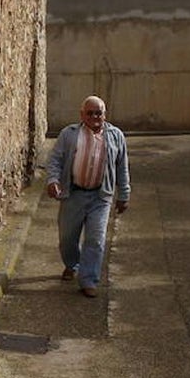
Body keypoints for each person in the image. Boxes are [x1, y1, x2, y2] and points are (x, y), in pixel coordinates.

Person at [45, 95, 130, 298]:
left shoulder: (116, 136)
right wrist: (53, 180)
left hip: (100, 197)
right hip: (73, 194)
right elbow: (55, 159)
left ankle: (88, 280)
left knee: (96, 239)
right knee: (67, 238)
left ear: (104, 115)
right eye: (90, 113)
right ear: (82, 114)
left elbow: (122, 167)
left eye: (98, 113)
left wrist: (124, 194)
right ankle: (71, 264)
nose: (94, 116)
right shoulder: (69, 134)